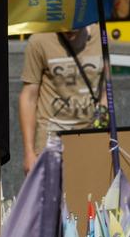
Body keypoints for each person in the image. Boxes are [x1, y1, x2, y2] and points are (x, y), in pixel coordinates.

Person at [19, 24, 108, 174]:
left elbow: (105, 92)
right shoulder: (39, 40)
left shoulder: (102, 37)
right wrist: (29, 152)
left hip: (90, 139)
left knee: (90, 197)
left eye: (74, 25)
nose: (69, 30)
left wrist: (102, 131)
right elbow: (28, 96)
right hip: (51, 140)